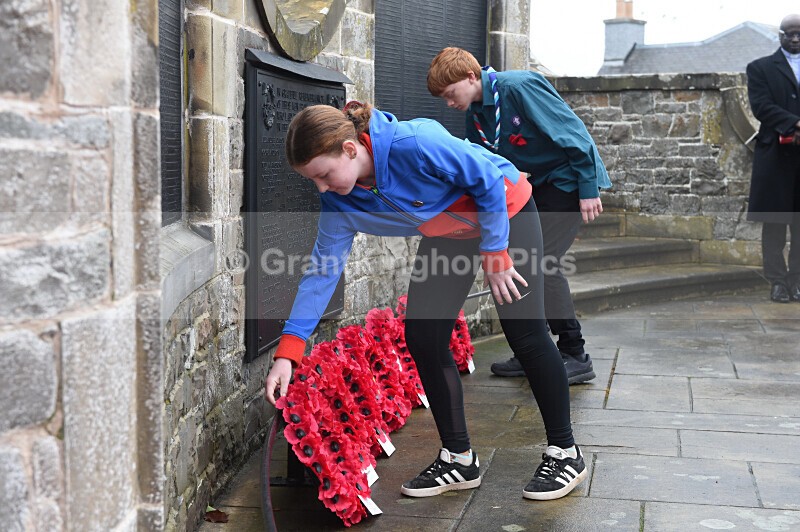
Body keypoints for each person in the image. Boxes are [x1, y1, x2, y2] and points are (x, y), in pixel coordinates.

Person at [264, 102, 587, 500]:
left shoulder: (413, 144)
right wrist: (288, 351)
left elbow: (486, 177)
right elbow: (322, 272)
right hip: (449, 231)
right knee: (423, 335)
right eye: (313, 180)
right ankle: (458, 458)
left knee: (526, 332)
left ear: (349, 149)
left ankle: (566, 452)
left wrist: (497, 251)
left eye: (324, 175)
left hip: (506, 211)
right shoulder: (340, 201)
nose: (322, 188)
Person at [427, 48, 612, 382]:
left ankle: (574, 352)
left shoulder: (519, 86)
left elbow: (574, 134)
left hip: (569, 178)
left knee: (545, 261)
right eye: (444, 99)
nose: (450, 104)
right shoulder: (476, 114)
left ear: (471, 77)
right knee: (522, 258)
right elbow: (480, 168)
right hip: (539, 184)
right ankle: (534, 350)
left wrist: (588, 187)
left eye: (451, 94)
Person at [745, 14, 800, 303]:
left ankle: (797, 282)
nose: (794, 39)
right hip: (776, 157)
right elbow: (761, 106)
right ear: (779, 35)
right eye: (788, 34)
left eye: (799, 34)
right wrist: (795, 124)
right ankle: (777, 282)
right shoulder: (760, 68)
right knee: (775, 224)